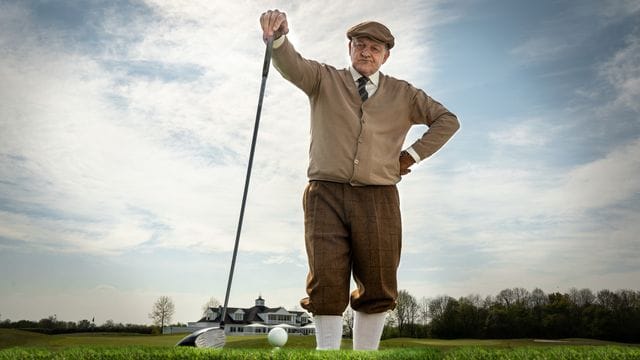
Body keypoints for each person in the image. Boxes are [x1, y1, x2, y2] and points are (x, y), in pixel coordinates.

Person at [259, 10, 460, 350]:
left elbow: (446, 120)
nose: (367, 52)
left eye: (375, 48)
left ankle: (364, 355)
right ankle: (328, 354)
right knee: (326, 278)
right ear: (350, 48)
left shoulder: (404, 93)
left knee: (378, 279)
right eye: (360, 45)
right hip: (325, 193)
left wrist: (411, 155)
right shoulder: (324, 78)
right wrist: (277, 38)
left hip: (378, 196)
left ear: (386, 55)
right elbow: (290, 63)